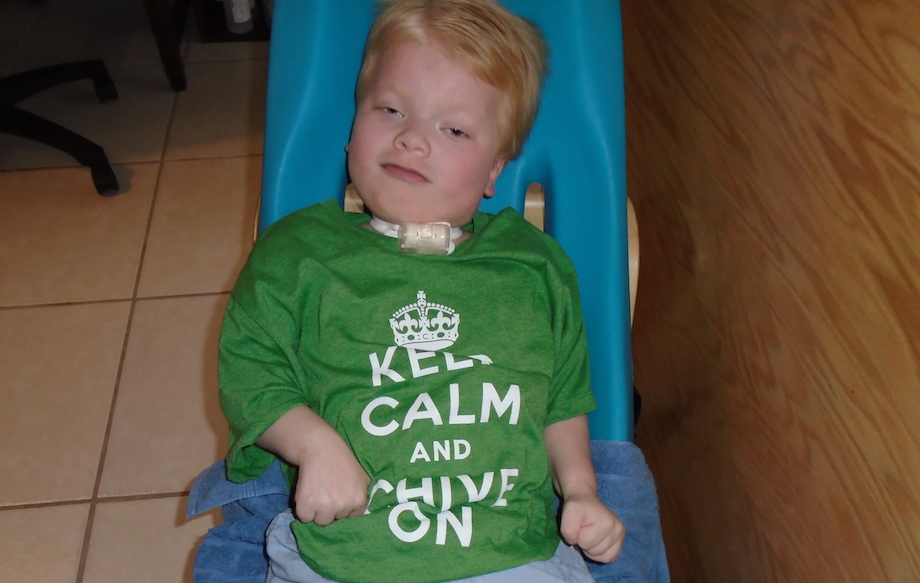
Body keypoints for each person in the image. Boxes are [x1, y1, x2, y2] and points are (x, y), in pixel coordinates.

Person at [217, 0, 626, 582]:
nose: (411, 138)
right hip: (343, 557)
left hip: (508, 556)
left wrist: (581, 491)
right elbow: (249, 371)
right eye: (390, 110)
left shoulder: (532, 266)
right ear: (353, 126)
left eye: (453, 129)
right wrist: (313, 446)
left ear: (495, 171)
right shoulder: (298, 255)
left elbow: (561, 397)